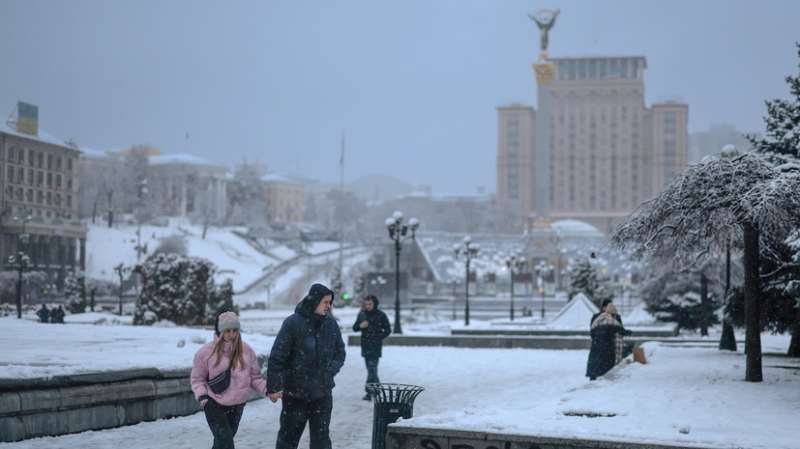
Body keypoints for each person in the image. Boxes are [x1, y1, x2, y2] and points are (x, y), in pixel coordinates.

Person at [267, 283, 346, 449]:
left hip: (323, 394)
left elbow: (340, 353)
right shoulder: (293, 323)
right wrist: (273, 386)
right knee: (288, 439)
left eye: (330, 302)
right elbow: (277, 357)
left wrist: (329, 371)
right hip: (295, 394)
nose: (328, 306)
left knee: (321, 441)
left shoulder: (331, 325)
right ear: (315, 301)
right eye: (325, 302)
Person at [191, 310, 267, 449]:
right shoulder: (204, 354)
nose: (232, 335)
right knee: (226, 444)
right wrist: (202, 397)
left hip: (237, 407)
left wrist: (268, 390)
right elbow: (197, 379)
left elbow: (255, 377)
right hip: (214, 405)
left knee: (221, 444)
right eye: (227, 331)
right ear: (220, 331)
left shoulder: (246, 350)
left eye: (235, 330)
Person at [352, 294, 392, 401]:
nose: (368, 306)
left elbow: (388, 330)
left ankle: (369, 392)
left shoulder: (381, 315)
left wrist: (378, 337)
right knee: (371, 370)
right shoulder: (362, 314)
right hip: (365, 346)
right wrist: (360, 326)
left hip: (375, 346)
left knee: (372, 369)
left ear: (375, 304)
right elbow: (354, 328)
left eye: (370, 304)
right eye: (366, 304)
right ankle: (376, 390)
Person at [586, 303, 632, 380]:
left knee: (595, 365)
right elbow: (621, 331)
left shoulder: (597, 320)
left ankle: (593, 378)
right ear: (613, 314)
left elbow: (592, 334)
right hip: (606, 348)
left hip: (595, 347)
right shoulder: (612, 321)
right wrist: (629, 332)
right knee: (605, 368)